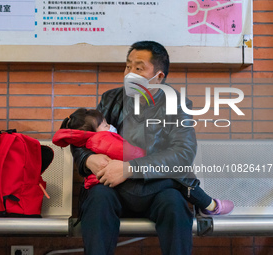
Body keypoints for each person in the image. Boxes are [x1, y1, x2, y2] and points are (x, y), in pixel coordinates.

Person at [68, 41, 232, 255]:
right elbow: (80, 138)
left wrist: (129, 168)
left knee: (175, 205)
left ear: (159, 76)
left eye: (138, 68)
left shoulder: (176, 104)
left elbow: (183, 153)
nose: (129, 73)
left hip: (158, 188)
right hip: (113, 189)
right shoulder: (111, 99)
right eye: (128, 67)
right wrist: (88, 160)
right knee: (98, 199)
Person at [52, 107, 234, 212]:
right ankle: (209, 205)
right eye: (106, 125)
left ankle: (207, 204)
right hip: (130, 189)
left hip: (124, 185)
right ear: (94, 131)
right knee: (179, 176)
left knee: (175, 176)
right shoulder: (103, 140)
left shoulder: (92, 140)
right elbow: (135, 155)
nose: (111, 126)